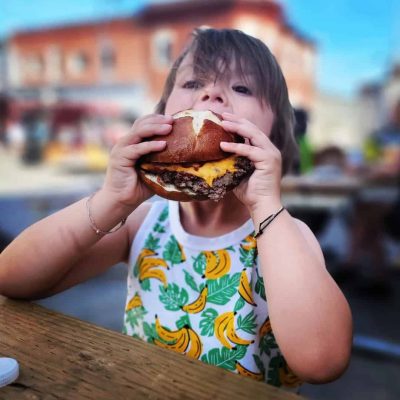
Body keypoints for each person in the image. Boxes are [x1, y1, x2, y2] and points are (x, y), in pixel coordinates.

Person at [0, 28, 352, 390]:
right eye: (193, 81)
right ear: (162, 115)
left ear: (273, 136)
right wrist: (111, 200)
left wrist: (267, 208)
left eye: (242, 88)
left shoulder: (285, 236)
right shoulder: (140, 224)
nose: (211, 92)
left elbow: (322, 361)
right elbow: (12, 278)